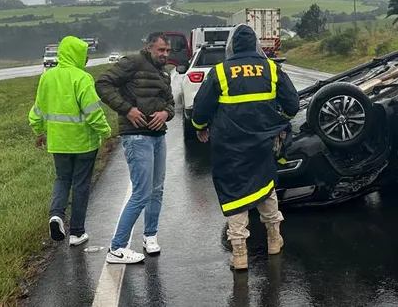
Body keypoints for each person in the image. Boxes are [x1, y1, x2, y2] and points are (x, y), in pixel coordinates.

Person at [191, 24, 299, 271]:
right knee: (266, 188)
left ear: (232, 46)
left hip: (230, 147)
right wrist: (276, 118)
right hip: (263, 144)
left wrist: (200, 127)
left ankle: (239, 253)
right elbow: (292, 106)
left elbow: (200, 110)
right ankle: (274, 240)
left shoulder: (220, 72)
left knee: (235, 193)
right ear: (255, 45)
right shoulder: (272, 69)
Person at [95, 32, 175, 264]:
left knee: (157, 190)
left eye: (168, 51)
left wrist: (165, 113)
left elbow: (170, 103)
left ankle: (150, 236)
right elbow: (103, 83)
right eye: (161, 50)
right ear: (149, 47)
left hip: (158, 135)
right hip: (137, 136)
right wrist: (127, 109)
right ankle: (117, 248)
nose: (165, 54)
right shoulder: (132, 63)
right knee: (141, 192)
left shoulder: (164, 73)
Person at [28, 35, 112, 247]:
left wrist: (39, 132)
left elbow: (37, 110)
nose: (85, 59)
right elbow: (93, 112)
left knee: (62, 179)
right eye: (84, 55)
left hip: (58, 142)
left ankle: (56, 215)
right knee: (81, 184)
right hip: (84, 143)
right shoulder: (82, 78)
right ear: (77, 54)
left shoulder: (47, 78)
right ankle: (77, 232)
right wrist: (106, 133)